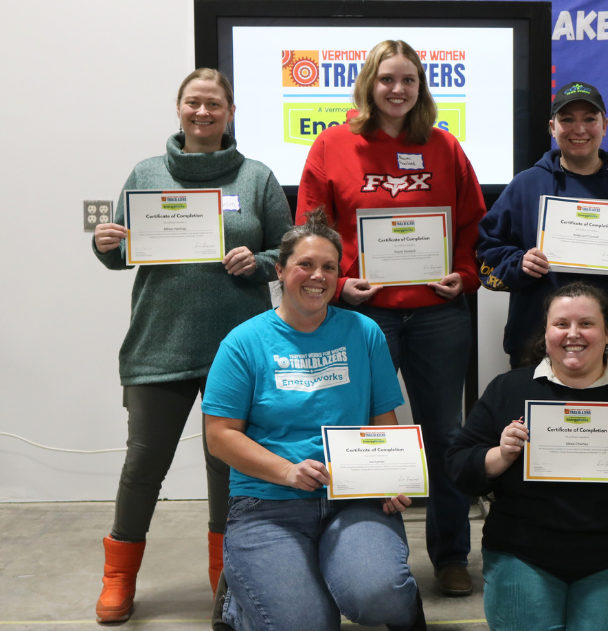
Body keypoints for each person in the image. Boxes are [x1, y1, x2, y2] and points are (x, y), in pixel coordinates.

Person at [91, 68, 293, 623]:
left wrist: (262, 263)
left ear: (230, 113)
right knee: (143, 466)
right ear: (178, 109)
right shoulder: (147, 172)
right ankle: (118, 577)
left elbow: (287, 249)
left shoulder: (256, 176)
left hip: (238, 348)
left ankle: (224, 578)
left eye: (214, 105)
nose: (203, 113)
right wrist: (107, 243)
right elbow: (119, 252)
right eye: (193, 103)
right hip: (159, 342)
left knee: (226, 469)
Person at [295, 39, 485, 597]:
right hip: (364, 315)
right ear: (368, 85)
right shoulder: (332, 146)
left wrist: (465, 274)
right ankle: (363, 548)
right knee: (360, 434)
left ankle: (450, 556)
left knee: (443, 433)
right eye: (386, 79)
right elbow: (312, 230)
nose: (397, 89)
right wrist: (340, 280)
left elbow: (474, 223)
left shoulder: (445, 146)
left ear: (421, 86)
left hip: (438, 316)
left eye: (408, 80)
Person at [202, 211, 425, 630]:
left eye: (328, 267)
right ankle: (240, 596)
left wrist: (392, 476)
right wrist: (287, 471)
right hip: (267, 503)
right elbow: (220, 436)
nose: (316, 276)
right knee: (306, 624)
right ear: (280, 270)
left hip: (354, 498)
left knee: (379, 598)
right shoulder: (243, 342)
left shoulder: (365, 332)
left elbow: (384, 421)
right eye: (305, 264)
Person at [446, 282, 608, 630]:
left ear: (607, 333)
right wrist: (499, 455)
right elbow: (458, 467)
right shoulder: (509, 390)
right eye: (561, 324)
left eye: (586, 323)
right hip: (522, 552)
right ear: (546, 333)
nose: (573, 334)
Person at [477, 81, 608, 368]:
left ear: (605, 125)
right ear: (552, 127)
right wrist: (519, 264)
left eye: (589, 119)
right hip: (537, 348)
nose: (578, 129)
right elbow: (486, 254)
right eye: (567, 119)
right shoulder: (525, 186)